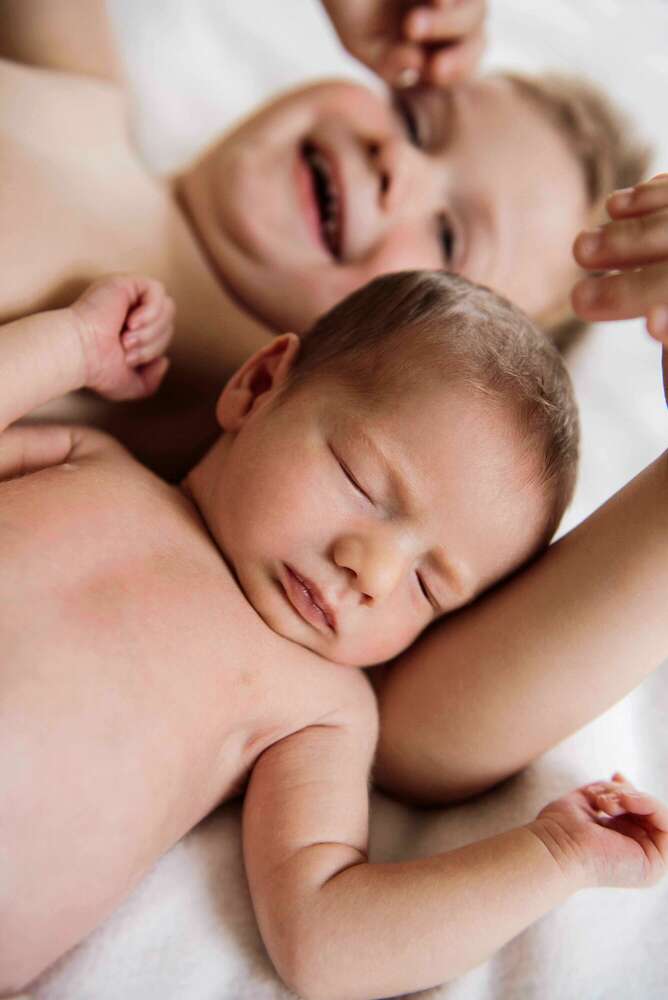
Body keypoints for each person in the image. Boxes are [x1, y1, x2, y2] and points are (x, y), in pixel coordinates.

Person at [2, 263, 667, 998]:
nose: (372, 573)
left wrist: (555, 855)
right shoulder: (91, 461)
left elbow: (326, 942)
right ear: (259, 385)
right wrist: (73, 345)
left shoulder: (320, 706)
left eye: (427, 586)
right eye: (362, 483)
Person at [0, 0, 648, 479]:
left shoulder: (180, 436)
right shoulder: (84, 82)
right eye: (413, 120)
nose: (398, 164)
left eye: (449, 237)